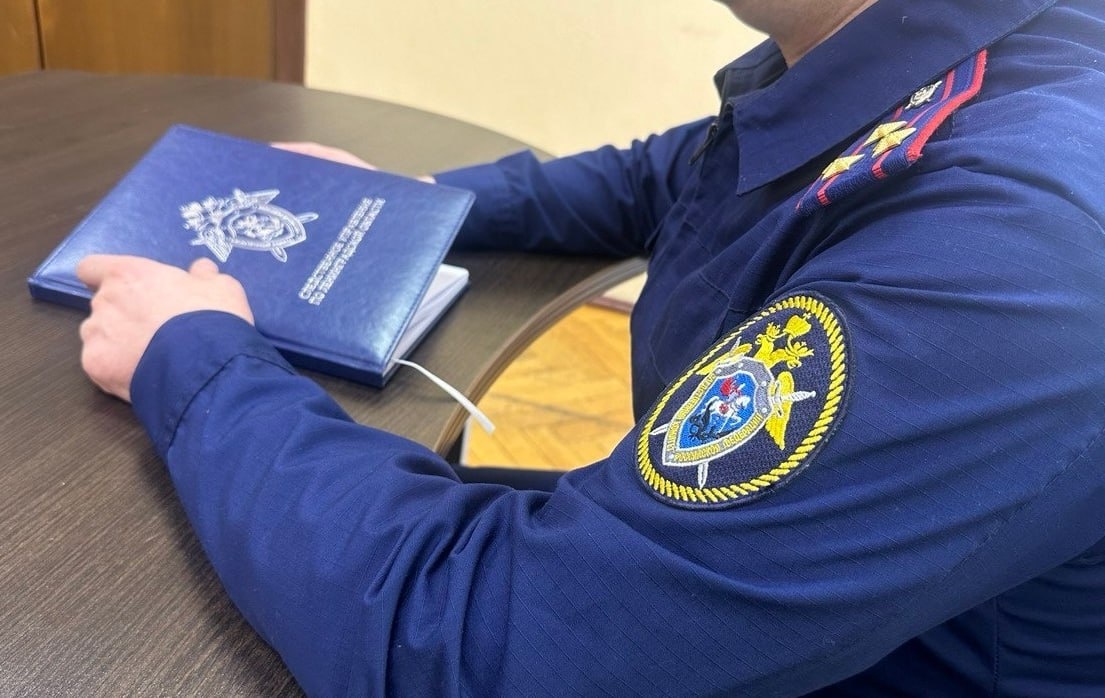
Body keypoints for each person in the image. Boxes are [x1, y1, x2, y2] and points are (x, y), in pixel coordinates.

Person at [75, 0, 1105, 694]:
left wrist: (194, 357)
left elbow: (488, 646)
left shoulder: (1018, 242)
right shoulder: (921, 60)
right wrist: (407, 202)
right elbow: (673, 177)